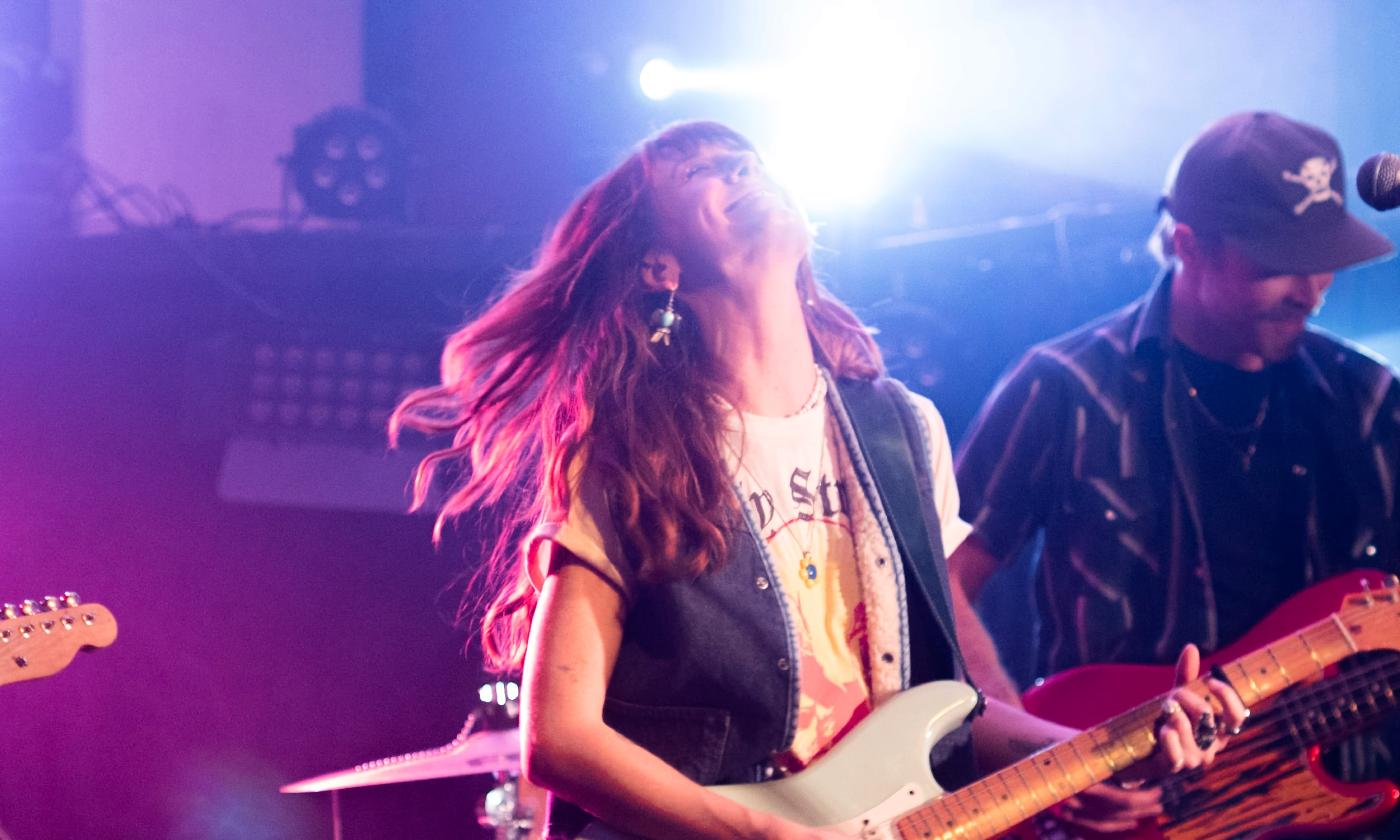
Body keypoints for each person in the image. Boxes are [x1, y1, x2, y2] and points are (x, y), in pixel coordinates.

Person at [393, 120, 1244, 840]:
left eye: (749, 160)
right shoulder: (635, 454)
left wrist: (1093, 748)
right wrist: (763, 832)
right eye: (706, 170)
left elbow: (939, 706)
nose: (743, 171)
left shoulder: (904, 431)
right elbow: (560, 742)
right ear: (660, 268)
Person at [951, 111, 1399, 818]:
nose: (1313, 291)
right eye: (1279, 262)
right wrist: (1033, 757)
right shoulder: (1065, 386)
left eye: (1325, 260)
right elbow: (940, 581)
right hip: (1128, 794)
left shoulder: (1368, 399)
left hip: (1329, 797)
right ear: (1190, 246)